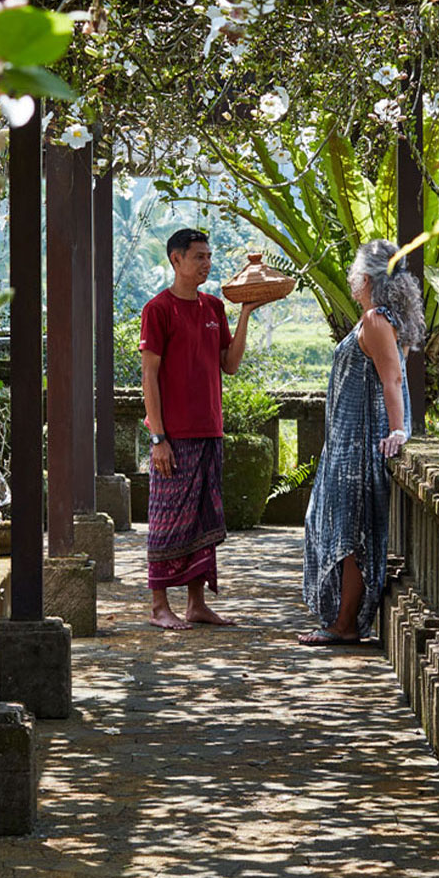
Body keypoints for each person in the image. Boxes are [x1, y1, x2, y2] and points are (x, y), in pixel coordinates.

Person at [300, 239, 425, 645]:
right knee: (347, 533)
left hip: (357, 446)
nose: (352, 278)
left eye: (355, 272)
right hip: (348, 442)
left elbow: (392, 379)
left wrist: (397, 430)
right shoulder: (386, 320)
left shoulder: (375, 320)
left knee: (349, 536)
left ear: (366, 278)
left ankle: (344, 625)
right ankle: (344, 621)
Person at [139, 228, 261, 630]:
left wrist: (243, 314)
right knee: (165, 518)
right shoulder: (158, 309)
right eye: (198, 257)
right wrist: (158, 437)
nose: (207, 263)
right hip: (173, 436)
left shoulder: (213, 307)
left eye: (209, 256)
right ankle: (159, 606)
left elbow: (230, 364)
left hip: (210, 431)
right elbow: (149, 377)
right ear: (176, 260)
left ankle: (196, 604)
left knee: (202, 521)